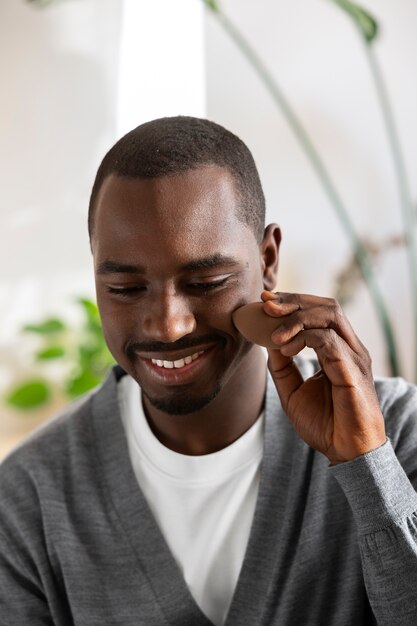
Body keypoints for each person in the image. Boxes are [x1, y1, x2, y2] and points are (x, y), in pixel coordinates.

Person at [0, 116, 416, 626]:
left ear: (267, 260)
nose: (170, 326)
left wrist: (367, 465)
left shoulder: (396, 433)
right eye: (126, 289)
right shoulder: (29, 500)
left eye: (207, 281)